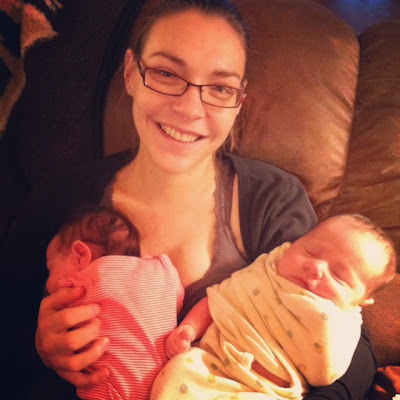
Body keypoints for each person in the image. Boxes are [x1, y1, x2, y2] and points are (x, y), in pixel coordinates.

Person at [1, 0, 377, 399]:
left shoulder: (273, 201)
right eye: (165, 73)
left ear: (239, 101)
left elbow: (356, 352)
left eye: (220, 88)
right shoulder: (62, 195)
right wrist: (38, 348)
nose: (188, 108)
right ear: (131, 73)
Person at [155, 214, 397, 399]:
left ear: (361, 301)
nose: (316, 268)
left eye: (339, 275)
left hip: (267, 392)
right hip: (209, 364)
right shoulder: (266, 274)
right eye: (311, 251)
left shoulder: (342, 325)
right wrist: (189, 328)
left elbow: (324, 374)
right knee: (178, 370)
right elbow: (218, 301)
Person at [45, 206, 184, 400]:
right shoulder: (162, 268)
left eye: (51, 267)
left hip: (111, 393)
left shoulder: (78, 283)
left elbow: (56, 324)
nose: (47, 283)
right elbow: (177, 301)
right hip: (171, 384)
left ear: (80, 255)